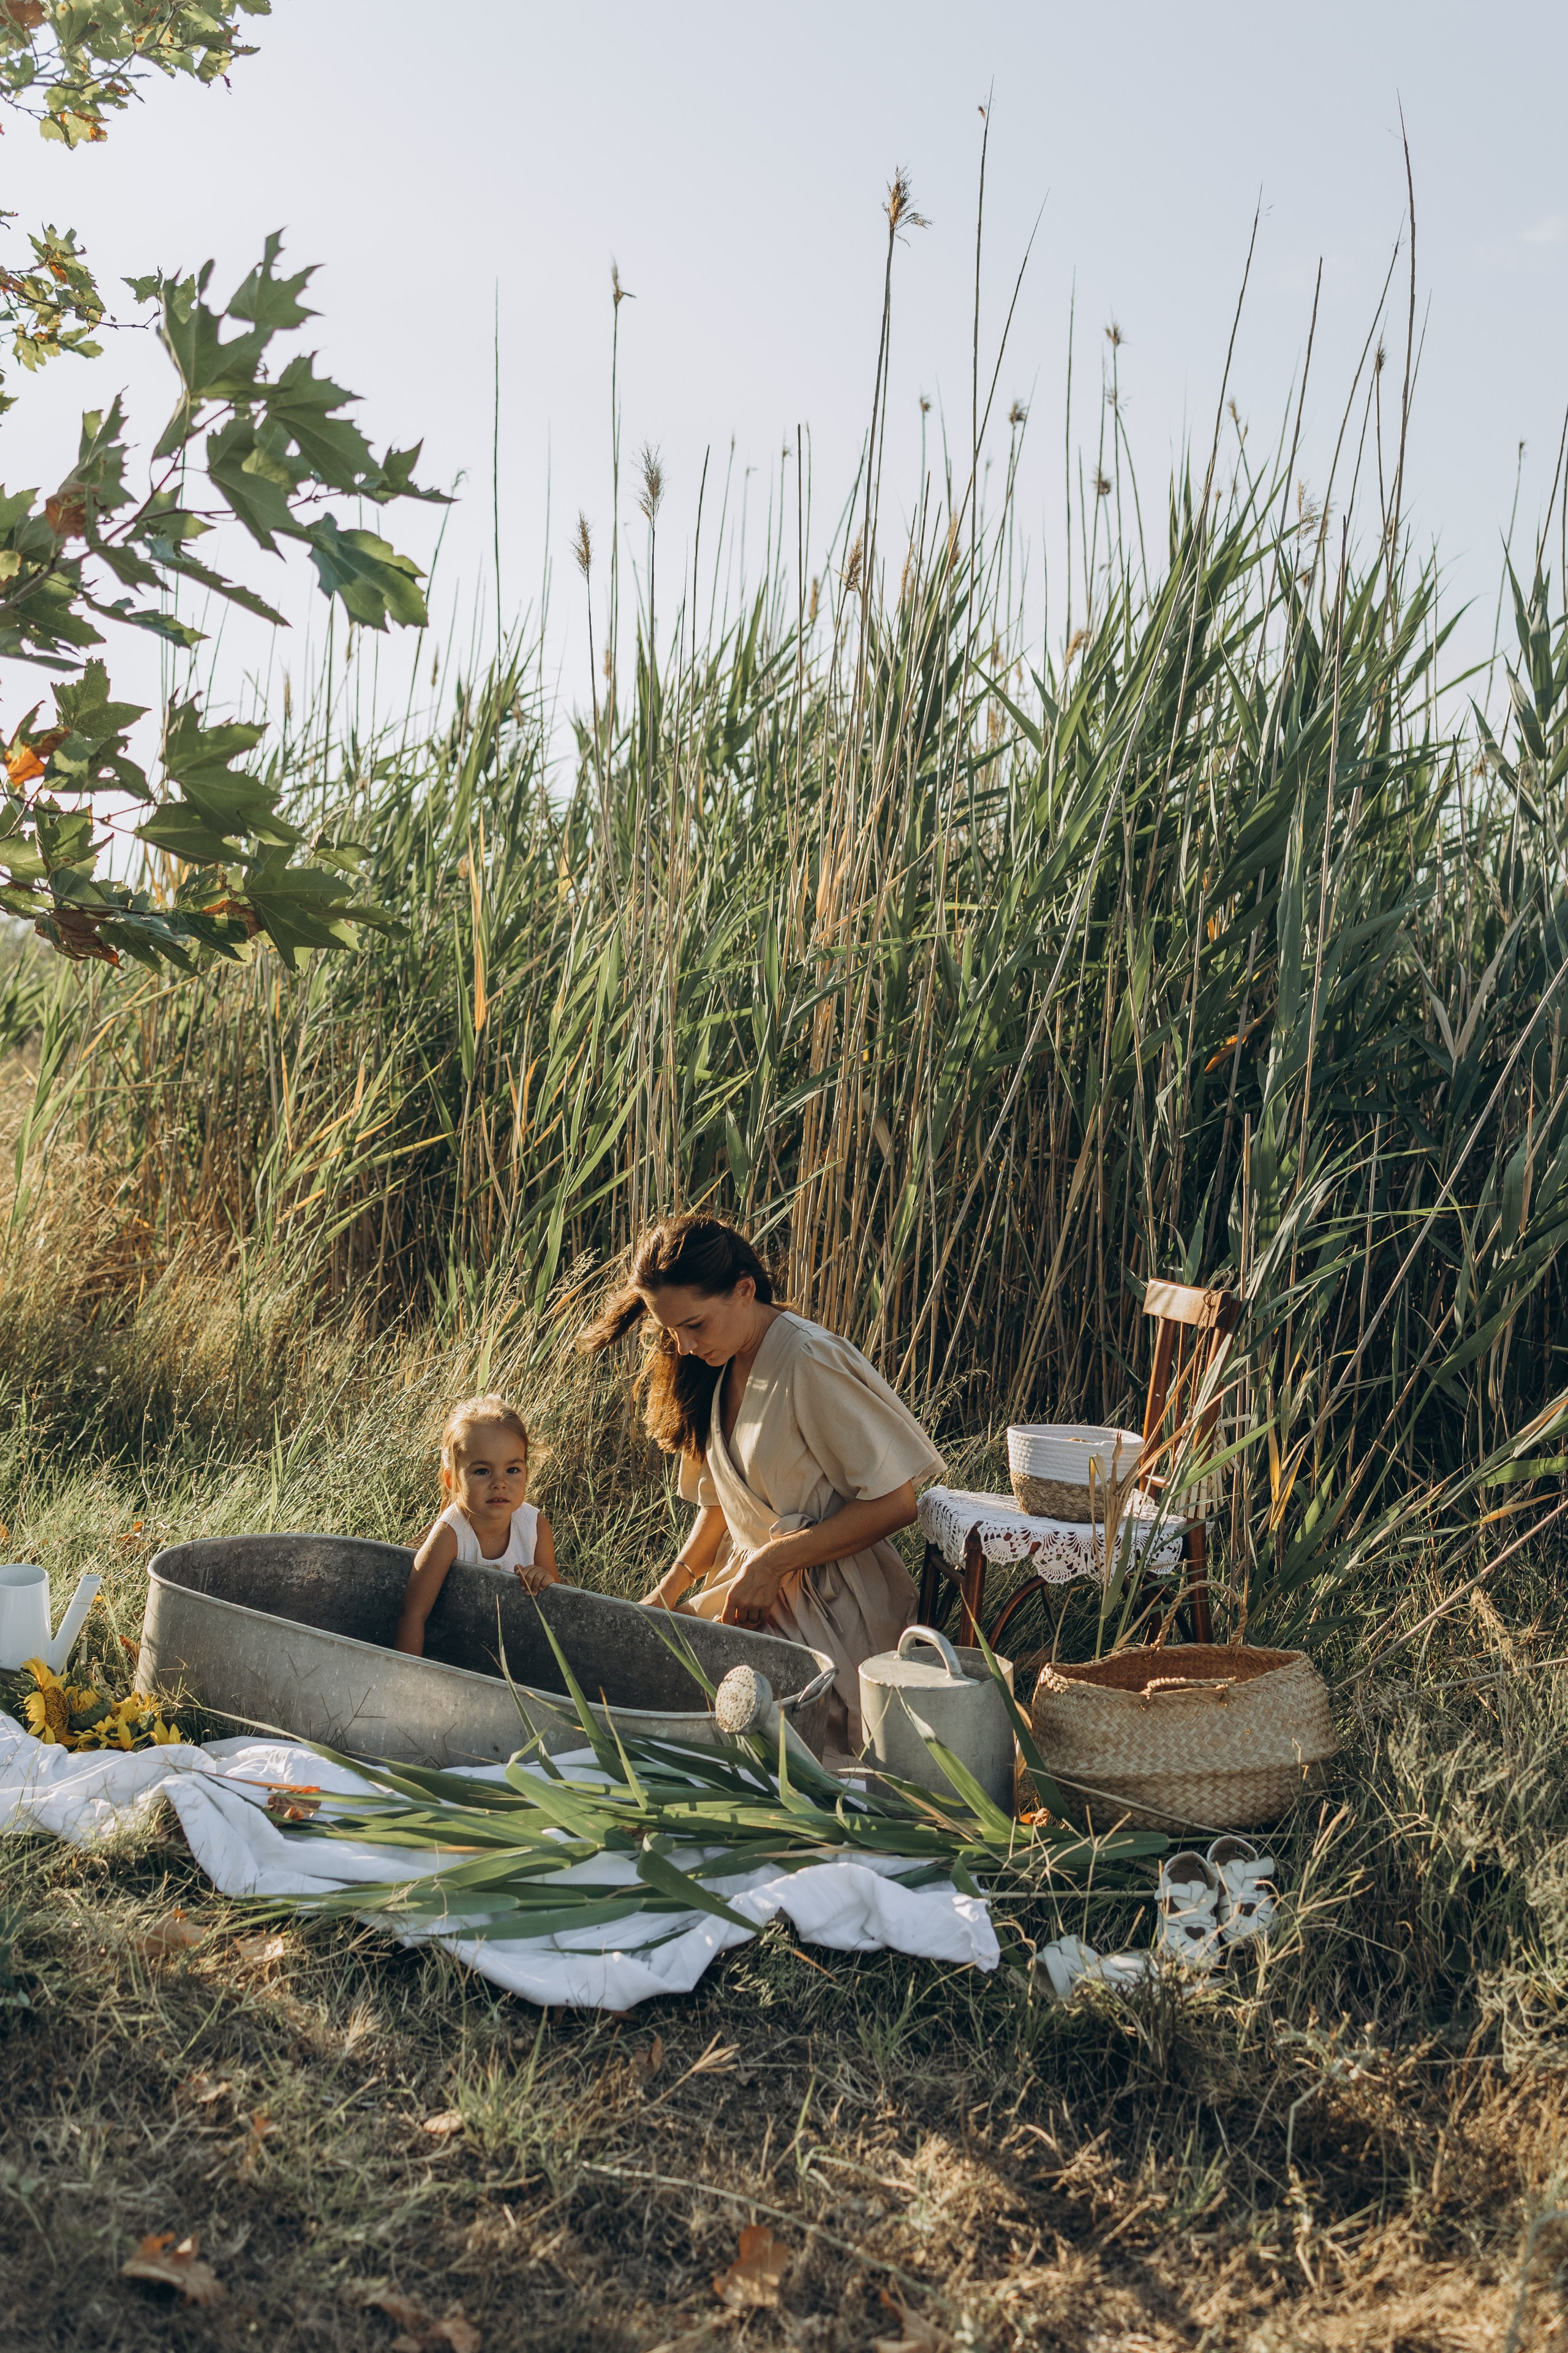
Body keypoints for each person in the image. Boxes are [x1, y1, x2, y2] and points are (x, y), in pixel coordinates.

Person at [581, 1215, 944, 1755]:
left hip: (833, 1610)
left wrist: (772, 1562)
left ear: (745, 1290)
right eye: (670, 1332)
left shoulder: (807, 1359)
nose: (682, 1346)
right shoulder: (719, 1364)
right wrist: (669, 1589)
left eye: (695, 1325)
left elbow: (898, 1502)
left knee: (710, 1737)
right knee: (637, 1682)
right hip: (753, 1595)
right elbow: (725, 1505)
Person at [394, 1394, 558, 1656]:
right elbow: (413, 1614)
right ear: (453, 1480)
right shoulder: (451, 1534)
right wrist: (408, 1679)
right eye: (482, 1471)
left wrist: (543, 1580)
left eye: (513, 1470)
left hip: (517, 1650)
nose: (500, 1483)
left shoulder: (534, 1527)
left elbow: (558, 1609)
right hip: (453, 1651)